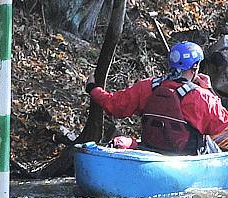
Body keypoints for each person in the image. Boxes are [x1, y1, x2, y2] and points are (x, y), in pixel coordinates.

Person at [86, 41, 228, 155]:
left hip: (152, 150)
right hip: (186, 157)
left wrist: (92, 89)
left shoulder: (147, 86)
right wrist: (209, 90)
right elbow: (221, 125)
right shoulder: (202, 96)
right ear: (195, 66)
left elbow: (115, 105)